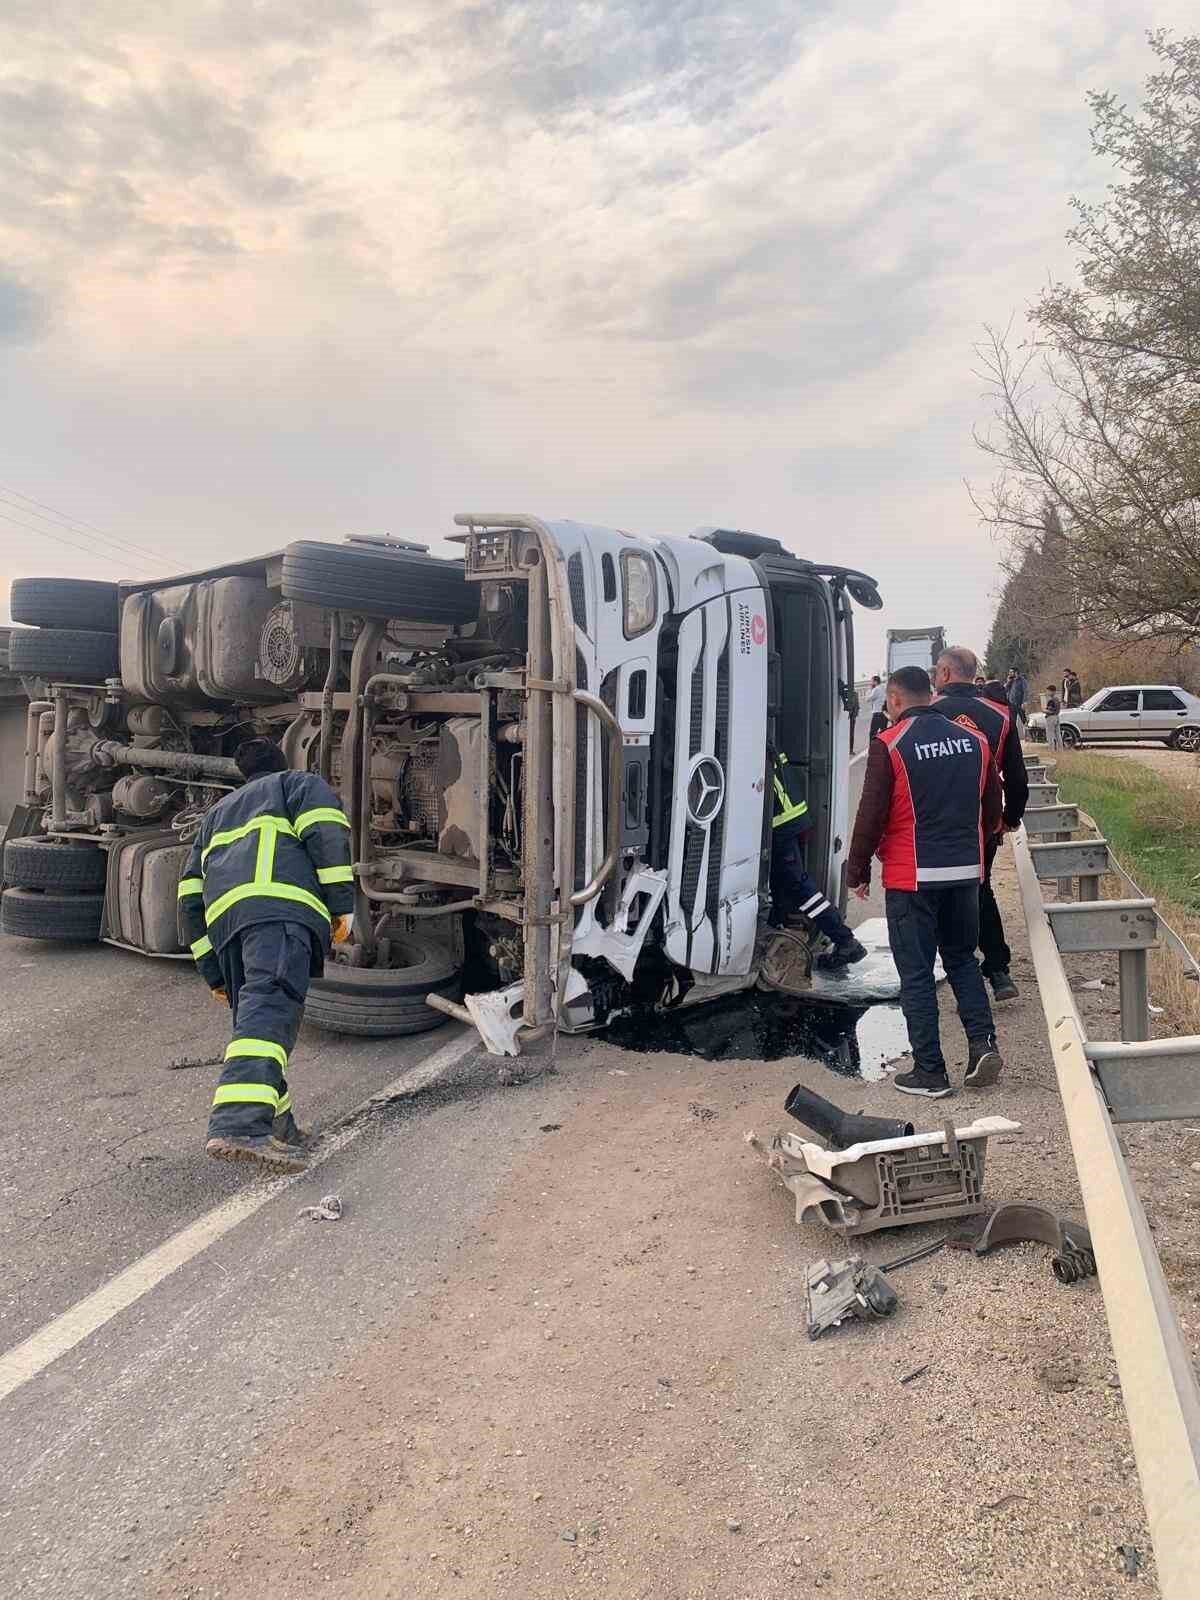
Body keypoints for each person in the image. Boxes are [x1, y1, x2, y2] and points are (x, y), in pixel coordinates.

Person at [178, 739, 356, 1171]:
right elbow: (326, 832)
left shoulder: (216, 815)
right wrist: (341, 905)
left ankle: (280, 1127)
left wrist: (213, 972)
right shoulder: (297, 784)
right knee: (270, 1013)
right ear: (282, 762)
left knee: (257, 1026)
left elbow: (189, 895)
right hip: (280, 913)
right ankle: (238, 1125)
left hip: (228, 929)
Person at [846, 665, 1003, 1097]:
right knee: (962, 959)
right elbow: (992, 809)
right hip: (965, 872)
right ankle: (983, 1045)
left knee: (916, 973)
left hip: (912, 876)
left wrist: (857, 871)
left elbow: (870, 815)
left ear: (894, 699)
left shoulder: (890, 743)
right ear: (931, 695)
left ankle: (930, 1072)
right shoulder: (974, 741)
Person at [931, 646, 1029, 1004]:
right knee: (980, 887)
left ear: (944, 673)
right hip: (983, 821)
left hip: (934, 821)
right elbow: (1017, 777)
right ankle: (998, 969)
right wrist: (1010, 818)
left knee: (940, 895)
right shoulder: (1000, 714)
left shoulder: (927, 712)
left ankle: (961, 972)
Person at [770, 747, 867, 971]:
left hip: (782, 823)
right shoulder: (763, 739)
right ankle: (776, 931)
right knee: (780, 883)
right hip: (789, 817)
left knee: (799, 886)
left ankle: (845, 941)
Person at [866, 675, 888, 740]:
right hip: (884, 713)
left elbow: (868, 699)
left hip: (877, 713)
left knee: (873, 732)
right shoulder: (884, 687)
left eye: (871, 681)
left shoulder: (876, 689)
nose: (871, 683)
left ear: (875, 682)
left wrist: (870, 689)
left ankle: (872, 746)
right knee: (884, 731)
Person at [1043, 685, 1063, 750]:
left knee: (1050, 735)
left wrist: (1044, 710)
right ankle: (1060, 749)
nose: (1047, 692)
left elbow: (1050, 711)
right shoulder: (1057, 699)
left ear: (1052, 691)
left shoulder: (1051, 701)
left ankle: (1051, 749)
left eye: (1048, 691)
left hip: (1051, 718)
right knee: (1058, 734)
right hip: (1057, 717)